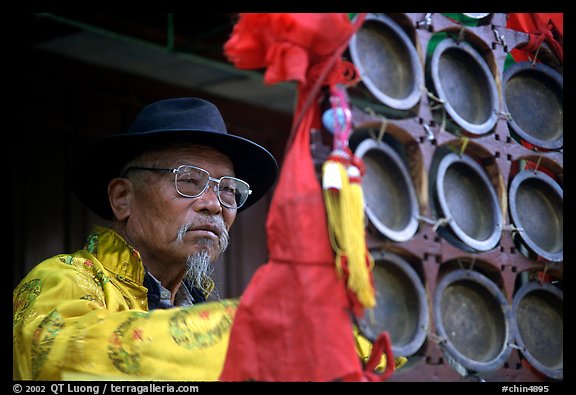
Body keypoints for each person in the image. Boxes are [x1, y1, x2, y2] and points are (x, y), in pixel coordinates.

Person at [12, 97, 278, 380]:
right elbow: (67, 356)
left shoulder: (195, 301)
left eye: (227, 189)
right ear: (122, 198)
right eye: (188, 180)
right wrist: (248, 325)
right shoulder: (63, 279)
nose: (214, 204)